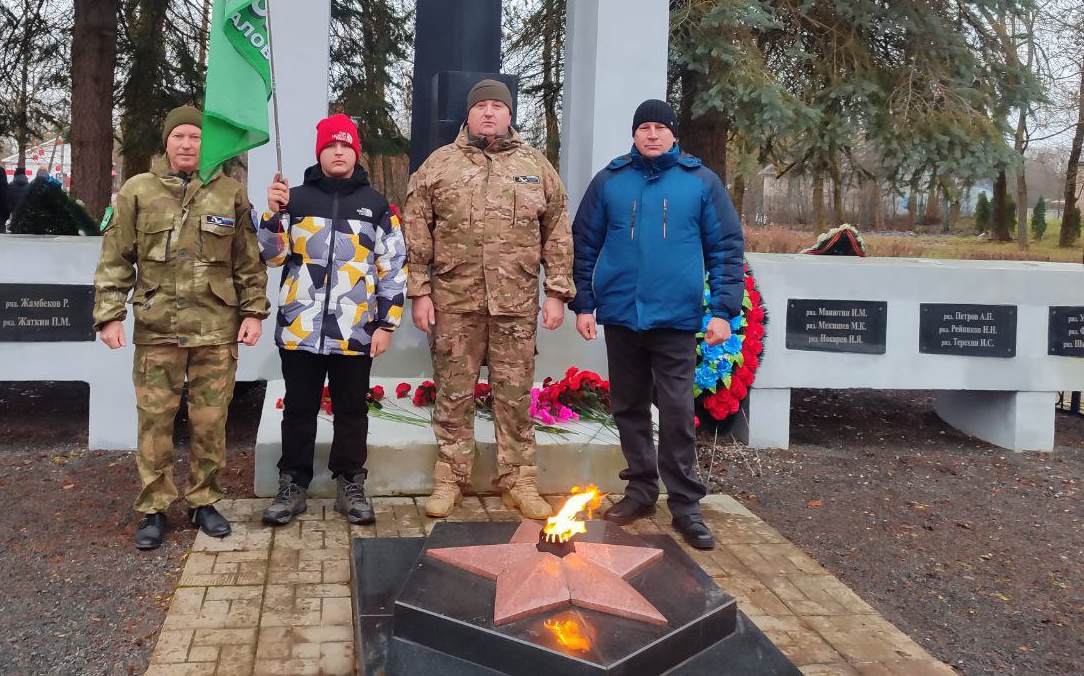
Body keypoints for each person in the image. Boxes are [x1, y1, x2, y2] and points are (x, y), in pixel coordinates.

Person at [569, 100, 744, 550]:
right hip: (622, 315)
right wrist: (584, 304)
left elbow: (725, 247)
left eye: (659, 128)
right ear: (633, 134)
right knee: (627, 406)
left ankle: (685, 503)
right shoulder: (609, 182)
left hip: (675, 318)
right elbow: (583, 244)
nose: (652, 135)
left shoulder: (700, 183)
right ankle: (642, 490)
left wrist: (723, 310)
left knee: (678, 410)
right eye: (644, 127)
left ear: (673, 135)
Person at [93, 106, 270, 551]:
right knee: (155, 420)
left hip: (216, 327)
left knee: (211, 420)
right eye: (180, 137)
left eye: (195, 137)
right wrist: (110, 314)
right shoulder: (138, 191)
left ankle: (203, 500)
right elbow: (115, 258)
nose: (188, 144)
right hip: (159, 327)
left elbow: (248, 261)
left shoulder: (230, 192)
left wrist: (253, 313)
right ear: (167, 143)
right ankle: (153, 508)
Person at [401, 79, 574, 519]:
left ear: (510, 114)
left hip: (515, 305)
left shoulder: (536, 166)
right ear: (469, 113)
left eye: (499, 106)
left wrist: (556, 292)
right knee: (453, 394)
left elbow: (557, 230)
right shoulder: (438, 166)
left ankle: (519, 480)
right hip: (453, 303)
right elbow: (416, 229)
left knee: (514, 396)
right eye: (482, 106)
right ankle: (450, 478)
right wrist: (419, 291)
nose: (490, 113)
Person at [257, 115, 407, 527]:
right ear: (319, 152)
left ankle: (350, 483)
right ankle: (293, 485)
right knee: (299, 410)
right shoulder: (296, 199)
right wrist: (273, 216)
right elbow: (270, 256)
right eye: (330, 146)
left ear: (355, 152)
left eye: (345, 146)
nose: (338, 152)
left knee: (352, 410)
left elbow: (393, 267)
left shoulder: (377, 206)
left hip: (355, 331)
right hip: (300, 328)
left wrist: (387, 324)